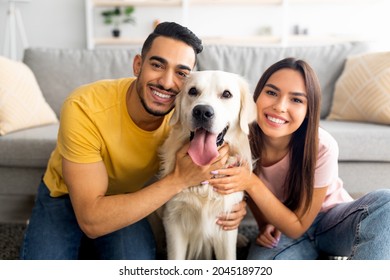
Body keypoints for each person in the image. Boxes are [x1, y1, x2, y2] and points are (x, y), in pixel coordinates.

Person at [20, 22, 246, 260]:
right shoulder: (83, 106)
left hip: (127, 197)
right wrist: (179, 180)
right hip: (65, 195)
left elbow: (232, 146)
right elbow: (91, 219)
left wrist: (236, 199)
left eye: (181, 73)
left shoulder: (186, 110)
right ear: (138, 65)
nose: (167, 83)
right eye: (157, 65)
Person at [207, 57, 390, 259]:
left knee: (386, 202)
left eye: (296, 99)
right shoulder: (238, 137)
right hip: (281, 230)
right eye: (271, 92)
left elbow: (298, 226)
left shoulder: (322, 145)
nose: (280, 106)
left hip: (333, 223)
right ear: (255, 97)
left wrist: (250, 181)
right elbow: (247, 196)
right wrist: (263, 224)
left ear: (308, 110)